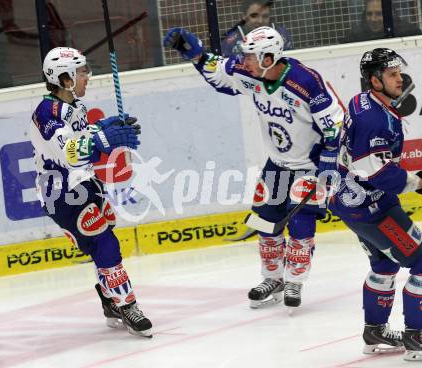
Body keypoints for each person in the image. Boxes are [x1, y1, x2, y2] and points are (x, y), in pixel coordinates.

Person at [163, 26, 344, 310]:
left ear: (269, 58)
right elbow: (221, 72)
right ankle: (273, 278)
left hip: (309, 166)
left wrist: (330, 156)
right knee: (264, 220)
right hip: (277, 164)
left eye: (249, 57)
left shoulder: (305, 81)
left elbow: (335, 121)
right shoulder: (251, 73)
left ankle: (295, 280)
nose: (243, 62)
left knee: (300, 222)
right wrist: (196, 54)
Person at [29, 47, 152, 338]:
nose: (88, 77)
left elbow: (79, 136)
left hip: (84, 183)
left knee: (105, 235)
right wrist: (103, 139)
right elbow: (69, 151)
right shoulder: (46, 113)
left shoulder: (75, 107)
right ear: (65, 77)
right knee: (105, 242)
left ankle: (111, 300)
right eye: (82, 71)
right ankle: (126, 303)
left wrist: (103, 127)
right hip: (62, 193)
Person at [330, 48, 422, 360]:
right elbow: (380, 173)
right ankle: (416, 338)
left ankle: (375, 331)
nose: (401, 79)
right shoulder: (374, 120)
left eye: (399, 72)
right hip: (373, 208)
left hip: (350, 203)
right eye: (393, 74)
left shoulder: (362, 101)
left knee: (384, 265)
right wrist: (417, 182)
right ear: (375, 80)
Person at [221, 0, 293, 57]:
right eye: (254, 16)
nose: (260, 21)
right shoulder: (230, 41)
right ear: (243, 16)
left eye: (265, 16)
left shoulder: (281, 34)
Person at [340, 0, 422, 43]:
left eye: (379, 14)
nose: (373, 19)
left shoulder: (409, 32)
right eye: (369, 14)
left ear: (389, 14)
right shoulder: (355, 36)